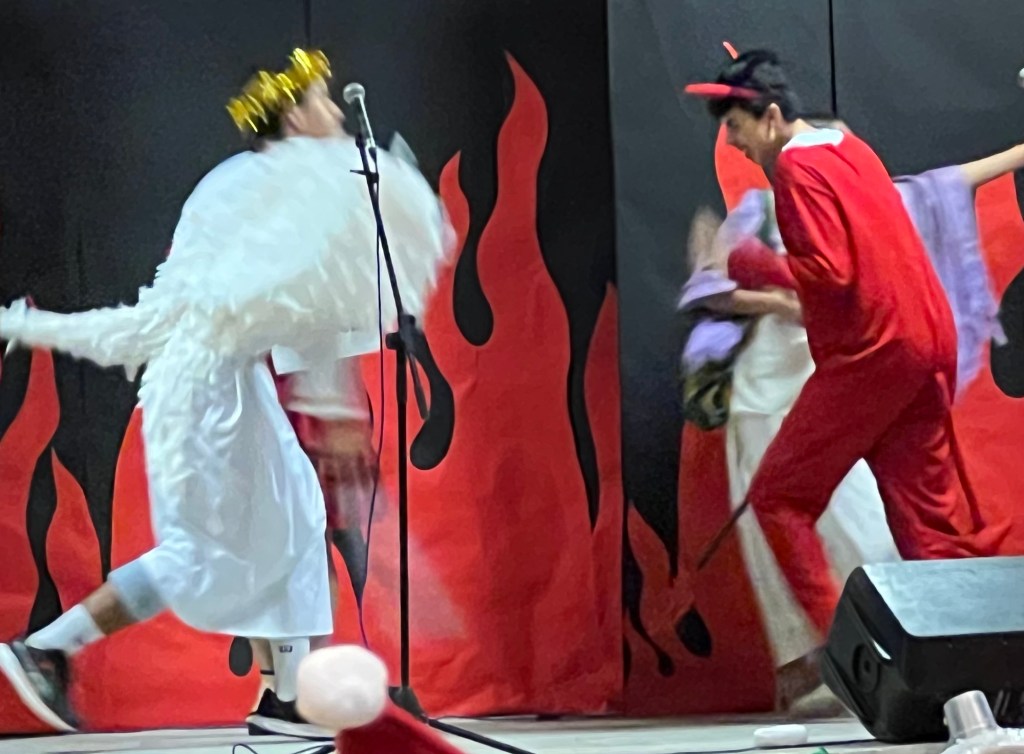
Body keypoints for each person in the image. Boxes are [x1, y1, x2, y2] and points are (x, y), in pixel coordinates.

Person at [0, 48, 448, 733]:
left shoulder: (251, 183)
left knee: (294, 524)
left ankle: (285, 699)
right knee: (207, 556)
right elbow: (219, 312)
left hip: (227, 381)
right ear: (291, 114)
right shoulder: (265, 189)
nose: (334, 110)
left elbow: (294, 305)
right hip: (208, 392)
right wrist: (333, 407)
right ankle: (45, 650)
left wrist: (331, 404)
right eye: (320, 98)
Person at [682, 50, 1009, 658]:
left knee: (778, 497)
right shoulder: (852, 150)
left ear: (771, 117)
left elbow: (830, 274)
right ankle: (970, 685)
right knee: (925, 530)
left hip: (873, 352)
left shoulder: (795, 169)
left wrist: (744, 261)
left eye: (737, 127)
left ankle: (856, 662)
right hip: (926, 344)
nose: (734, 144)